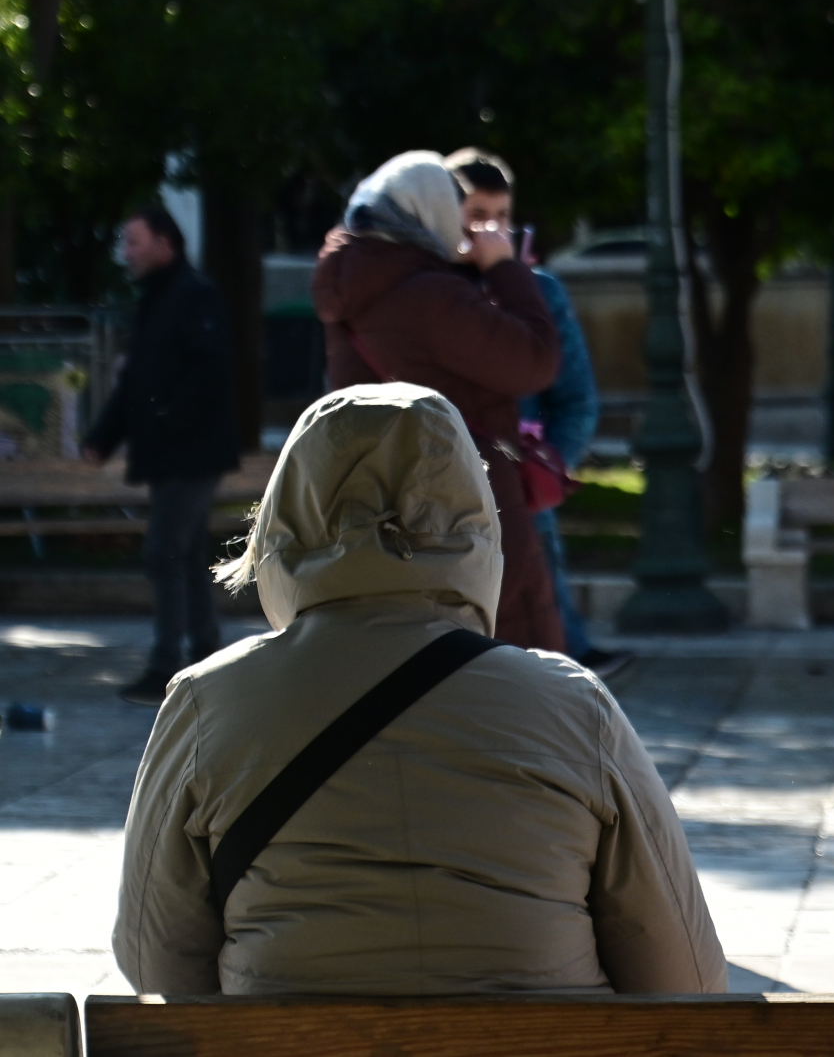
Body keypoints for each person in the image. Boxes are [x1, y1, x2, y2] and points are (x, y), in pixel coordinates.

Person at [113, 384, 727, 996]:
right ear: (477, 522)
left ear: (283, 524)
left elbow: (153, 955)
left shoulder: (206, 704)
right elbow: (685, 977)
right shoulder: (572, 705)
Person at [313, 151, 565, 651]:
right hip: (471, 508)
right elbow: (536, 358)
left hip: (390, 516)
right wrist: (505, 270)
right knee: (517, 669)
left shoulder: (354, 288)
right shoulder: (429, 296)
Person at [443, 148, 629, 677]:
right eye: (476, 217)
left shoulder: (541, 292)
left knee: (542, 622)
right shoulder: (430, 297)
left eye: (501, 218)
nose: (491, 232)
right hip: (444, 485)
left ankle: (570, 666)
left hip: (518, 483)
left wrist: (543, 469)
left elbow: (577, 398)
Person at [83, 206, 239, 705]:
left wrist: (170, 422)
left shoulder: (193, 297)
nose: (126, 254)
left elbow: (210, 372)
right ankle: (206, 654)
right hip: (174, 451)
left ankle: (168, 664)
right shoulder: (158, 300)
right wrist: (103, 437)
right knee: (186, 554)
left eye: (135, 243)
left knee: (164, 550)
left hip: (191, 452)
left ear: (165, 243)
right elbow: (137, 384)